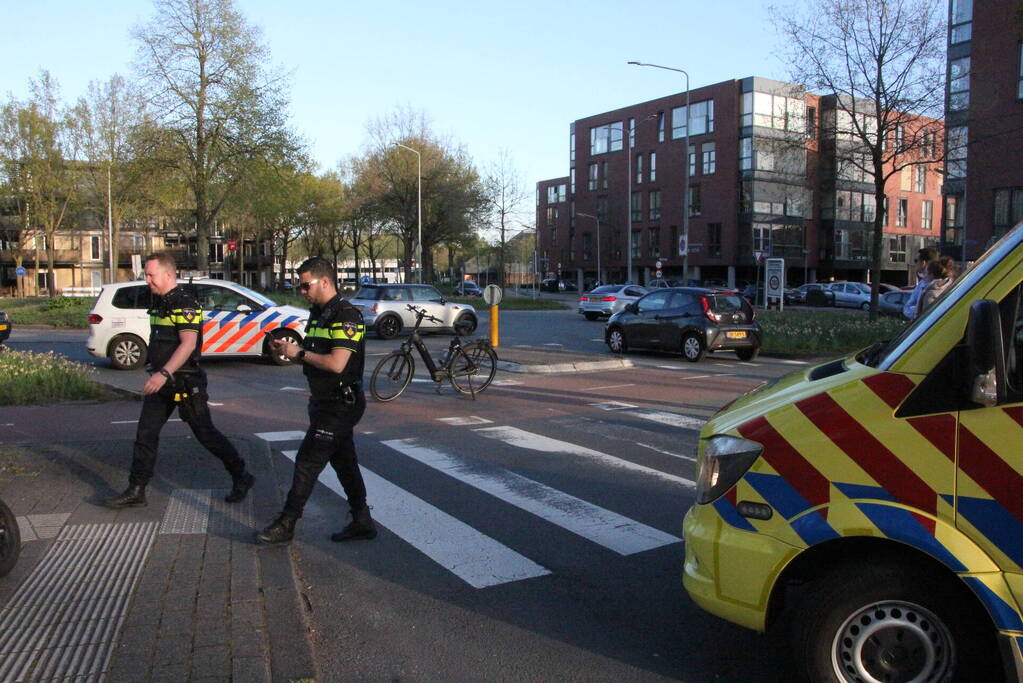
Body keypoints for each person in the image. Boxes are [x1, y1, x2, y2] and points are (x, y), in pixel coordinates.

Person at [106, 253, 254, 509]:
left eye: (151, 275)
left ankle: (242, 475)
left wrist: (163, 374)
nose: (147, 280)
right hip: (162, 383)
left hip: (185, 382)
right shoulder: (159, 301)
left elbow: (188, 344)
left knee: (206, 434)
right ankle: (136, 489)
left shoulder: (185, 304)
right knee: (145, 433)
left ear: (168, 275)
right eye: (146, 275)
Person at [256, 257, 375, 544]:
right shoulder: (319, 313)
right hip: (323, 401)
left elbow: (336, 363)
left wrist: (298, 353)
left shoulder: (346, 315)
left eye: (305, 285)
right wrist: (289, 349)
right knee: (344, 462)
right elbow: (315, 357)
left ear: (325, 281)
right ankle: (362, 520)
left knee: (307, 461)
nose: (301, 291)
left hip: (340, 404)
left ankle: (287, 523)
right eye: (299, 286)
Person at [902, 246, 940, 320]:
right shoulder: (944, 283)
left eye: (916, 260)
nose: (915, 263)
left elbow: (907, 308)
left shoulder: (923, 285)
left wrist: (916, 310)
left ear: (923, 263)